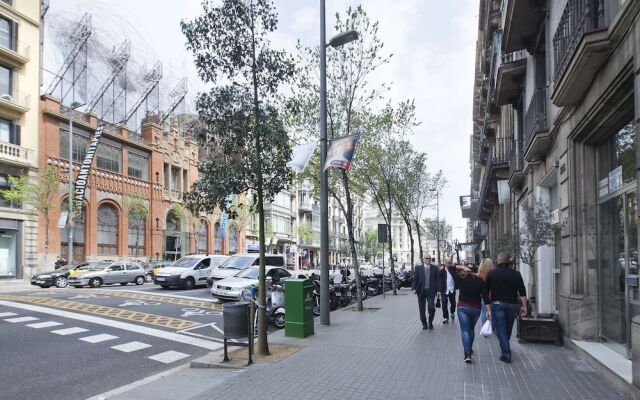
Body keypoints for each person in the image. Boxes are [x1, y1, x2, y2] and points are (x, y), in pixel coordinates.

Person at [486, 252, 528, 364]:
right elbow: (522, 291)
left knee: (500, 329)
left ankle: (506, 353)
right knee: (508, 328)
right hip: (512, 305)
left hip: (498, 304)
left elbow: (485, 291)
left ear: (498, 260)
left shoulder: (492, 273)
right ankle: (505, 348)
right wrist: (524, 306)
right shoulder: (516, 274)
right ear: (508, 261)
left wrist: (488, 307)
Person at [447, 262, 490, 363]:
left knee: (465, 330)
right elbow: (485, 297)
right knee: (471, 329)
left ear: (467, 271)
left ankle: (467, 354)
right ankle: (469, 348)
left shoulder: (461, 279)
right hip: (476, 308)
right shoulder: (481, 281)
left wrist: (462, 266)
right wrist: (489, 310)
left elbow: (450, 268)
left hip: (463, 307)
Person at [412, 255, 440, 330]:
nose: (428, 260)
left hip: (431, 291)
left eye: (429, 258)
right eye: (427, 258)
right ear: (423, 259)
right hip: (421, 291)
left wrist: (438, 290)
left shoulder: (434, 268)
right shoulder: (418, 268)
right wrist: (414, 288)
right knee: (422, 309)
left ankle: (430, 321)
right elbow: (415, 279)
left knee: (431, 308)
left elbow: (437, 280)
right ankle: (424, 323)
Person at [477, 258, 496, 328]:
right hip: (493, 295)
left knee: (484, 311)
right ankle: (493, 327)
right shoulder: (494, 274)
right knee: (493, 312)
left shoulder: (480, 275)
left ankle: (484, 327)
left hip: (483, 296)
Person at [438, 258, 457, 324]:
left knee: (453, 303)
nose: (449, 264)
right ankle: (445, 317)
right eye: (448, 263)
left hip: (452, 289)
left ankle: (452, 312)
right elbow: (439, 281)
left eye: (450, 263)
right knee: (444, 304)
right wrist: (439, 290)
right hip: (444, 290)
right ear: (445, 263)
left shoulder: (453, 269)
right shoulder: (441, 271)